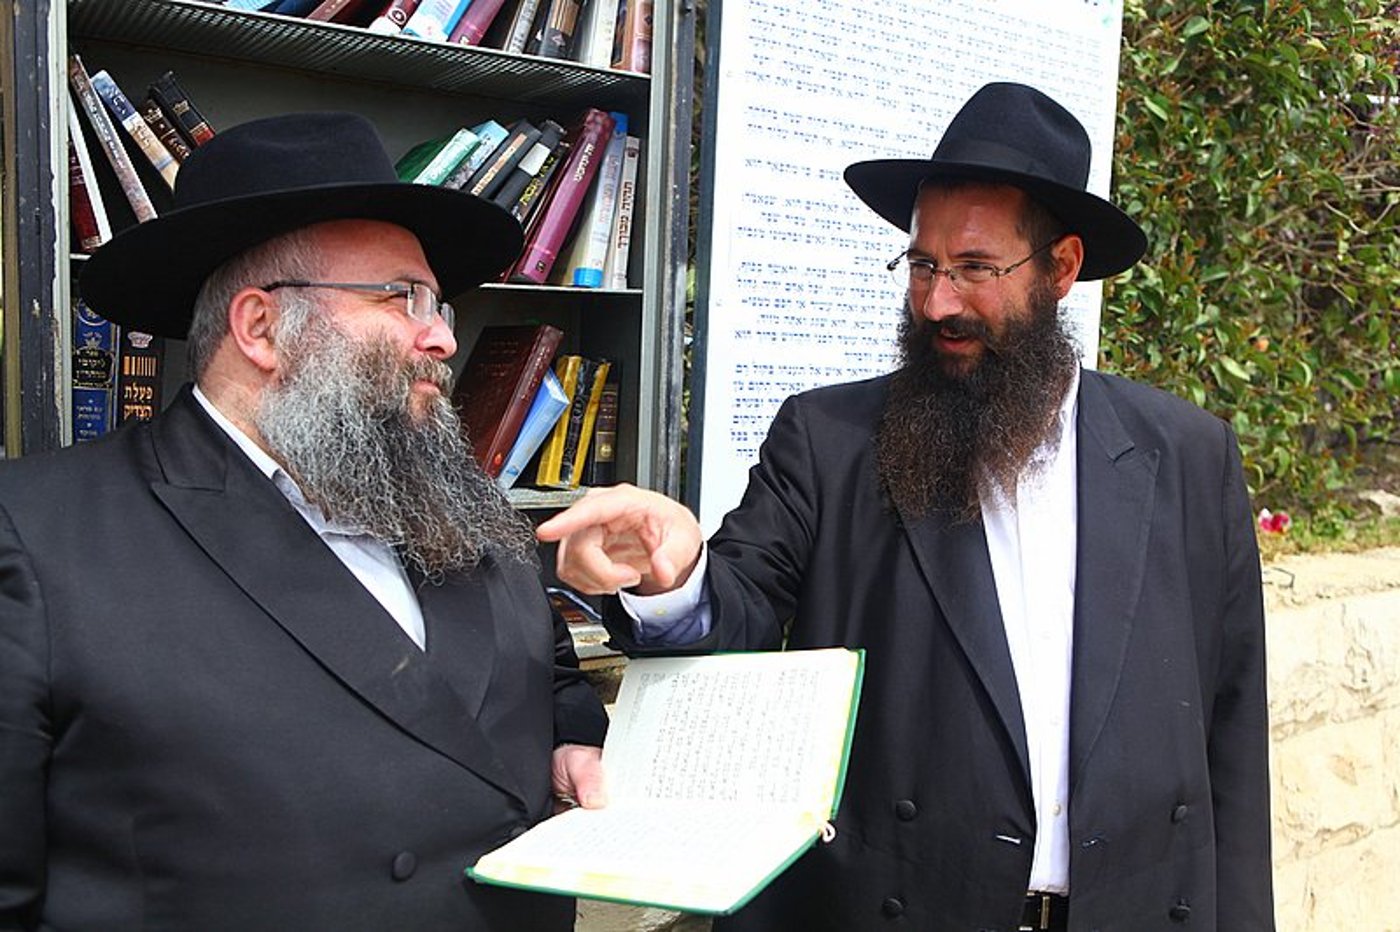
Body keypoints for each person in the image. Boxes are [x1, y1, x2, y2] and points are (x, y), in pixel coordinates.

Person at [537, 83, 1274, 931]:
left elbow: (1231, 734)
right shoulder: (830, 439)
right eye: (923, 265)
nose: (937, 304)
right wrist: (676, 576)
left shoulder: (1187, 455)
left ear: (1062, 268)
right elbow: (741, 609)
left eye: (975, 269)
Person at [0, 112, 608, 931]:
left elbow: (544, 680)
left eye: (440, 306)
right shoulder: (34, 537)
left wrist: (572, 744)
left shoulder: (461, 501)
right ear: (261, 328)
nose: (440, 338)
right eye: (404, 297)